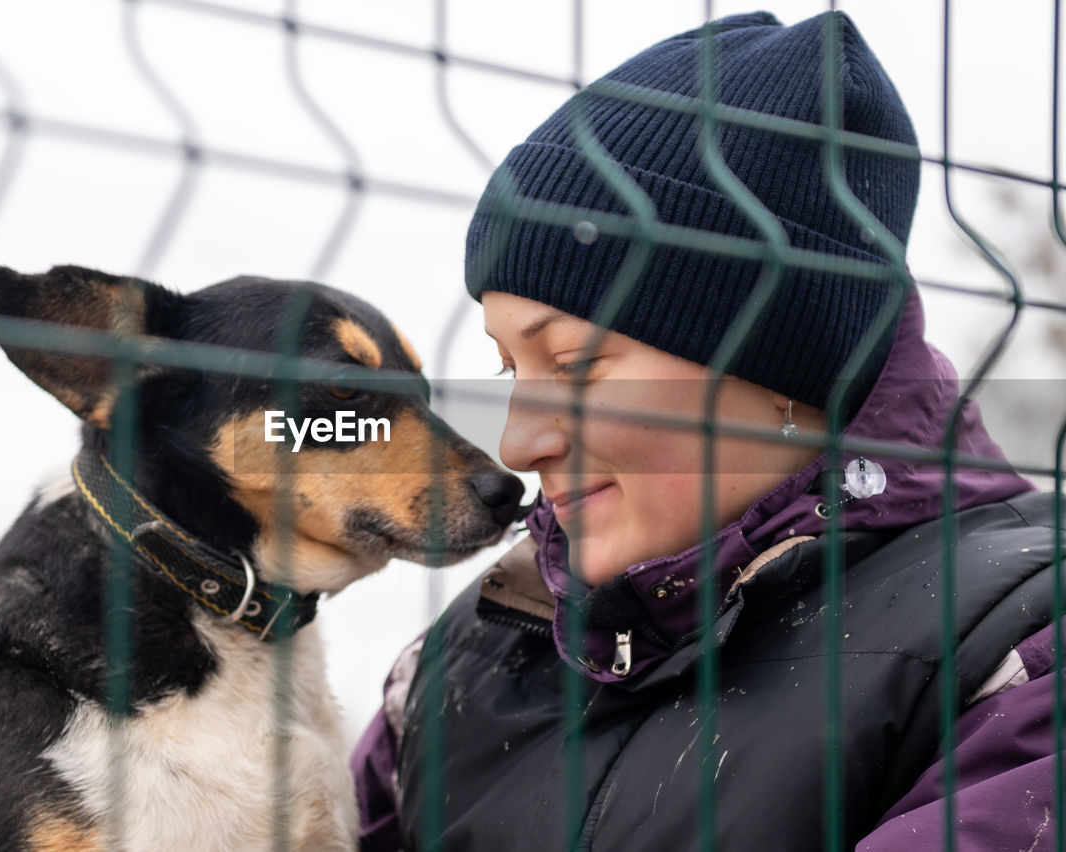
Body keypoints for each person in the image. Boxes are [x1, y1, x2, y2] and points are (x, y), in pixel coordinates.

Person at [350, 10, 1064, 852]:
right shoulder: (467, 657)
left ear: (782, 363)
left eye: (575, 364)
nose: (517, 445)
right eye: (511, 368)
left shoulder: (1018, 651)